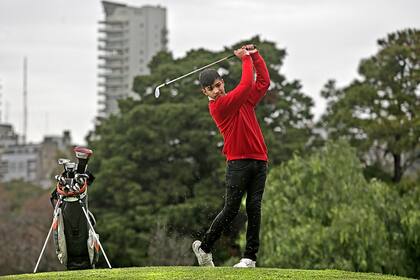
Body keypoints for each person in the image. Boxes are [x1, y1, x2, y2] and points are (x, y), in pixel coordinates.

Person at [192, 44, 270, 268]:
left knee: (255, 207)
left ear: (222, 82)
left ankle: (249, 258)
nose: (216, 90)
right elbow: (246, 84)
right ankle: (204, 248)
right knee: (231, 209)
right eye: (210, 89)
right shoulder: (220, 106)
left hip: (260, 160)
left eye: (218, 85)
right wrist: (245, 59)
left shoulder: (242, 99)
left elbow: (263, 82)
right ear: (204, 92)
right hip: (237, 163)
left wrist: (255, 56)